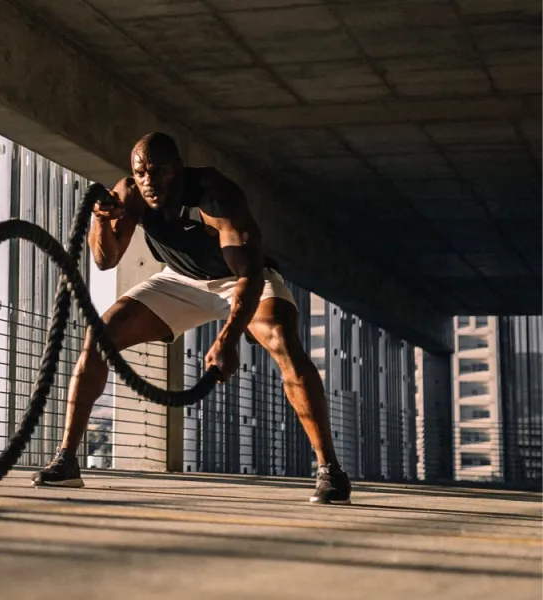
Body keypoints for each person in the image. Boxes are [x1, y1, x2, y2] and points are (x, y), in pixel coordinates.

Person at [31, 132, 351, 505]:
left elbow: (248, 275)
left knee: (283, 341)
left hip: (242, 280)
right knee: (100, 336)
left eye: (158, 171)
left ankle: (330, 469)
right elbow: (106, 260)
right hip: (180, 280)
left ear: (178, 170)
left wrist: (228, 339)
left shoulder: (216, 195)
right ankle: (67, 460)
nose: (148, 181)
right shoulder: (132, 192)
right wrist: (101, 220)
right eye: (140, 172)